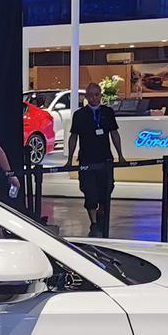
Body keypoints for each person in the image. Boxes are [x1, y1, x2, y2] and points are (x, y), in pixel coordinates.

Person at [64, 89, 124, 238]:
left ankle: (101, 211)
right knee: (89, 191)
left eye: (97, 94)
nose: (94, 98)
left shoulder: (108, 112)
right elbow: (73, 137)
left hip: (105, 159)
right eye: (91, 95)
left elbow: (114, 133)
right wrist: (69, 159)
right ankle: (94, 223)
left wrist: (120, 155)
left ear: (100, 96)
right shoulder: (79, 115)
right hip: (87, 160)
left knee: (107, 188)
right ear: (86, 97)